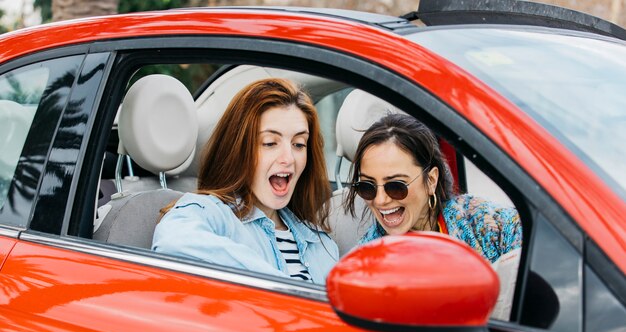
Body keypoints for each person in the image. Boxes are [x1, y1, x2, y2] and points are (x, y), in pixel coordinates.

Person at [152, 78, 338, 285]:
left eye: (298, 144)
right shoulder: (211, 212)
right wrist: (288, 289)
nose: (289, 158)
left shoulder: (322, 245)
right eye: (269, 143)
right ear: (239, 150)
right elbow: (172, 242)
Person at [344, 113, 522, 318]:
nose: (380, 200)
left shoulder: (477, 219)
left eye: (396, 186)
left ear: (431, 180)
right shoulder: (365, 262)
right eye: (368, 187)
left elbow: (539, 244)